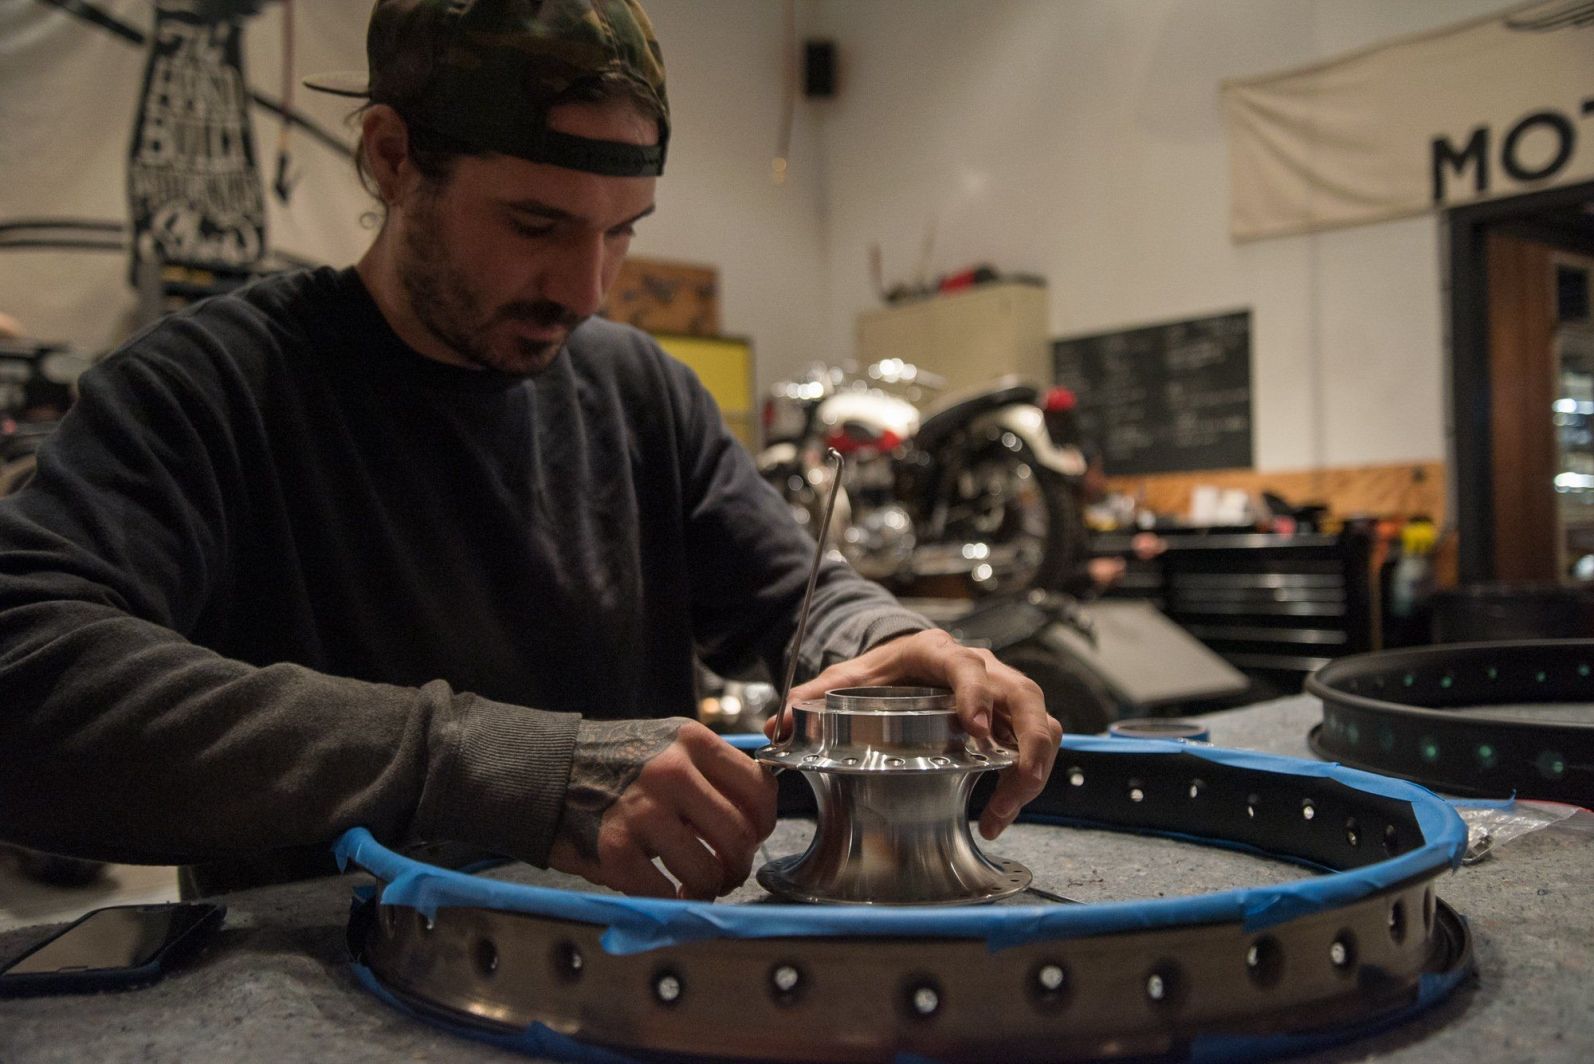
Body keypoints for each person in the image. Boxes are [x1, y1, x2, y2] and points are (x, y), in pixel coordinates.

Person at [0, 0, 1059, 901]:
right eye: (535, 224)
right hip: (311, 1000)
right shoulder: (211, 387)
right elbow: (26, 674)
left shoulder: (640, 393)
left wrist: (898, 641)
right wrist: (508, 768)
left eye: (622, 230)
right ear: (390, 157)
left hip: (631, 986)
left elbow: (795, 597)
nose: (585, 288)